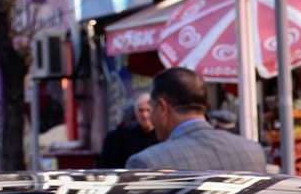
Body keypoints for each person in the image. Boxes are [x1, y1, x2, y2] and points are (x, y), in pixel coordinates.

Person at [126, 67, 269, 172]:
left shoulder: (148, 163)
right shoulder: (253, 151)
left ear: (163, 108)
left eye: (151, 108)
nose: (149, 116)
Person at [98, 93, 157, 168]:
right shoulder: (121, 135)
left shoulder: (163, 135)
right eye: (140, 110)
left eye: (148, 110)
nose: (144, 115)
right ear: (135, 112)